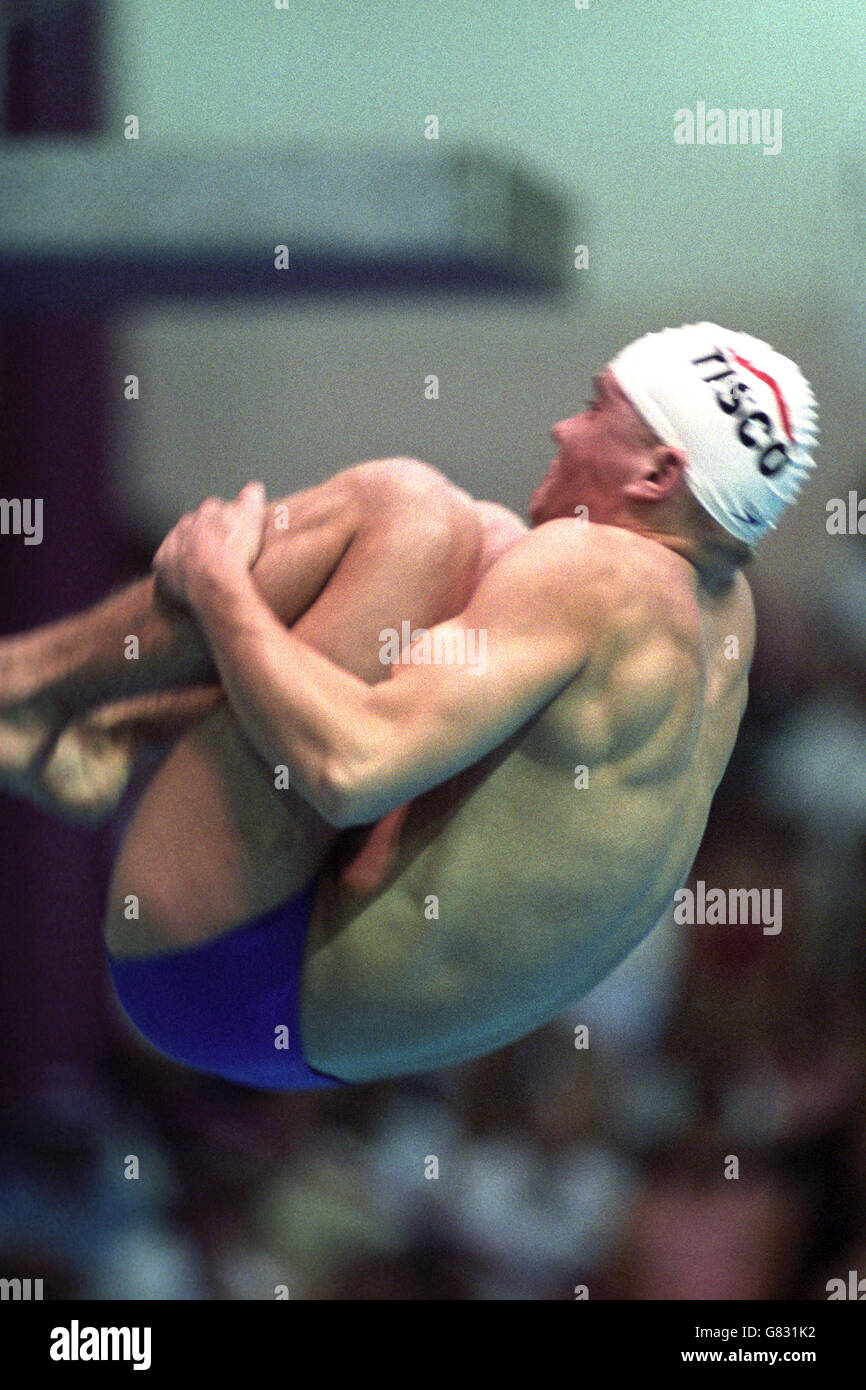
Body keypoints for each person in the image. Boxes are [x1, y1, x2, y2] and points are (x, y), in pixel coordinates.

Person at [0, 323, 819, 1090]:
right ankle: (119, 737)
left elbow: (350, 770)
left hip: (229, 972)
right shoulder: (722, 609)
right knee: (484, 538)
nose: (563, 430)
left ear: (659, 474)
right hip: (325, 1034)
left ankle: (26, 688)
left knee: (410, 507)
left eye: (595, 407)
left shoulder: (598, 571)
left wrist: (217, 584)